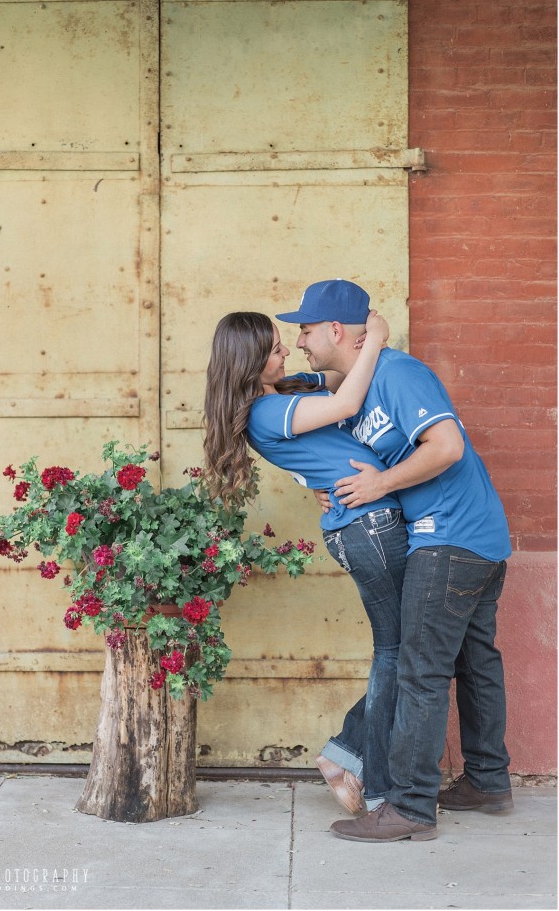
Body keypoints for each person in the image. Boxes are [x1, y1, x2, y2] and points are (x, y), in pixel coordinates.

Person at [276, 279, 512, 842]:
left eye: (306, 330)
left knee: (419, 670)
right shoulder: (356, 382)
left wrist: (381, 482)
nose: (301, 341)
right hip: (474, 536)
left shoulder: (399, 375)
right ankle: (487, 780)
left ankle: (409, 807)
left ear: (337, 330)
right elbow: (307, 384)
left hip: (449, 538)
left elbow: (447, 446)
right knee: (473, 660)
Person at [203, 305, 408, 814]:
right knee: (400, 652)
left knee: (406, 651)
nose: (287, 350)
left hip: (365, 523)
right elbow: (346, 401)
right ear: (250, 362)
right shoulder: (267, 410)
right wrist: (376, 337)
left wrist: (312, 481)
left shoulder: (284, 391)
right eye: (274, 349)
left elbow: (333, 376)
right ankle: (370, 775)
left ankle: (346, 754)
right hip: (369, 528)